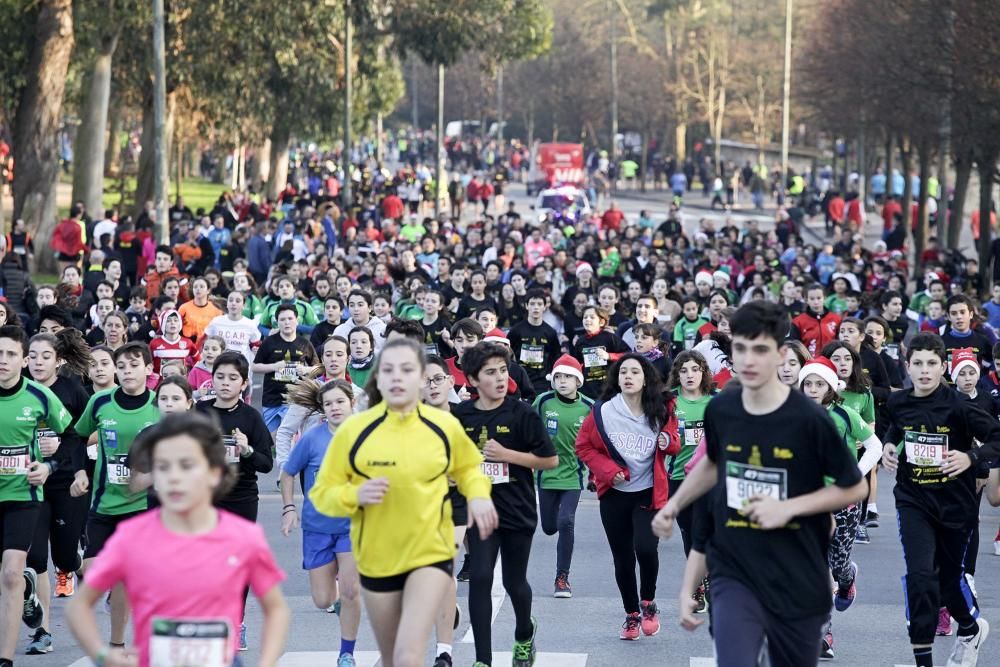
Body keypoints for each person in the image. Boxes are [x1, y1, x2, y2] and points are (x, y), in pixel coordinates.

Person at [652, 301, 866, 666]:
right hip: (736, 567)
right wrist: (674, 505)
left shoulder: (809, 419)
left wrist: (789, 507)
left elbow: (854, 487)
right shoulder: (722, 408)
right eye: (741, 349)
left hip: (797, 571)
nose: (749, 360)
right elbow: (713, 463)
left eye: (761, 350)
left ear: (782, 354)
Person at [310, 338, 498, 667]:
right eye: (389, 370)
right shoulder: (355, 431)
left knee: (409, 652)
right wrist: (355, 495)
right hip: (378, 555)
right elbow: (323, 493)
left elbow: (470, 470)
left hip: (429, 548)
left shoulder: (442, 426)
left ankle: (442, 646)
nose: (398, 378)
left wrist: (479, 497)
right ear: (378, 379)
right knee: (392, 655)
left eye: (407, 370)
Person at [66, 412, 291, 667]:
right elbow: (79, 606)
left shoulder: (242, 537)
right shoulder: (133, 537)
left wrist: (266, 662)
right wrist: (103, 655)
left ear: (214, 473)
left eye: (186, 465)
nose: (173, 477)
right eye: (162, 466)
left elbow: (276, 609)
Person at [881, 333, 999, 667]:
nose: (924, 370)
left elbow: (996, 437)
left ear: (943, 366)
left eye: (932, 363)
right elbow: (895, 429)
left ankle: (971, 628)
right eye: (917, 363)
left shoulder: (960, 406)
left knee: (948, 585)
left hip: (954, 505)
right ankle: (924, 662)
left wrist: (971, 457)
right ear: (907, 367)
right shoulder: (898, 402)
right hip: (913, 499)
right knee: (920, 578)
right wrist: (891, 446)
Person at [452, 341, 558, 667]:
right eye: (490, 373)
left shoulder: (522, 413)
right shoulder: (461, 416)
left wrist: (507, 456)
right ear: (472, 380)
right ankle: (483, 660)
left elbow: (550, 460)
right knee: (481, 576)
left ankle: (524, 631)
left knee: (515, 582)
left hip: (517, 507)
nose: (499, 378)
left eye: (502, 371)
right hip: (480, 509)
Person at [576, 353, 679, 640]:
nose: (629, 377)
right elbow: (584, 447)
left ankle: (648, 603)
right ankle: (631, 614)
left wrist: (667, 441)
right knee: (622, 558)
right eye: (623, 373)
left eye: (635, 372)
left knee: (646, 549)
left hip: (648, 491)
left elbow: (674, 441)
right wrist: (609, 471)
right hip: (614, 495)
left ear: (646, 378)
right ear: (617, 379)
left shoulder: (661, 407)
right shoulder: (603, 412)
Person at [798, 356, 883, 659]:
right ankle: (823, 634)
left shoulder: (846, 415)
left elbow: (875, 447)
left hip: (843, 501)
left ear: (831, 388)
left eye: (819, 384)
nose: (812, 389)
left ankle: (848, 579)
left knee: (837, 565)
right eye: (807, 383)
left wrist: (854, 474)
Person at [0, 326, 73, 666]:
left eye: (11, 354)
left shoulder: (40, 396)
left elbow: (74, 433)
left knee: (15, 571)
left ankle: (6, 658)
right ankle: (28, 599)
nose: (3, 360)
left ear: (23, 360)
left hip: (23, 496)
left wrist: (50, 464)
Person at [195, 351, 274, 650]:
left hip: (241, 498)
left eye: (232, 378)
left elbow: (266, 463)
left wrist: (247, 450)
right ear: (211, 378)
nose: (225, 383)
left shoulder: (251, 417)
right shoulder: (199, 412)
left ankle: (236, 622)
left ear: (243, 384)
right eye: (220, 376)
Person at [280, 379, 361, 667]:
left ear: (352, 402)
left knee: (352, 590)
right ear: (323, 409)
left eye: (340, 401)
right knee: (322, 600)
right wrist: (289, 508)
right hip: (317, 527)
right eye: (329, 404)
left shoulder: (367, 436)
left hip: (354, 527)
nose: (335, 407)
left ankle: (346, 653)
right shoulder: (312, 439)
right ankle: (337, 594)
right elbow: (288, 473)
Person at [24, 330, 93, 655]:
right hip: (29, 484)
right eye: (33, 356)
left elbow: (80, 436)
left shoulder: (72, 390)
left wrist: (76, 466)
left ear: (59, 360)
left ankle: (77, 562)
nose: (38, 362)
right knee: (36, 558)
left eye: (45, 356)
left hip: (66, 482)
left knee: (63, 559)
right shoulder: (19, 390)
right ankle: (43, 632)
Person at [532, 355, 593, 598]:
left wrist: (595, 475)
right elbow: (527, 426)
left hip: (573, 475)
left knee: (566, 521)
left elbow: (597, 441)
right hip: (546, 475)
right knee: (549, 527)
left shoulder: (589, 407)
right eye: (558, 376)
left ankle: (562, 578)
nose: (562, 381)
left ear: (578, 381)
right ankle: (556, 516)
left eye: (568, 376)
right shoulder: (543, 401)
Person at [420, 355, 466, 667]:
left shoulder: (465, 417)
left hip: (456, 502)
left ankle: (443, 652)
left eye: (438, 378)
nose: (432, 385)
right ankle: (443, 602)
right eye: (425, 380)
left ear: (450, 382)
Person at [665, 350, 714, 612]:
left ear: (703, 372)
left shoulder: (715, 402)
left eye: (695, 369)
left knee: (706, 530)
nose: (690, 375)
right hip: (678, 476)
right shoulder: (670, 403)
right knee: (689, 531)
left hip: (709, 478)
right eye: (684, 370)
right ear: (677, 375)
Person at [252, 304, 317, 436]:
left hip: (294, 399)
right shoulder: (269, 342)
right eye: (282, 319)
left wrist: (305, 369)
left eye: (290, 318)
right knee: (272, 439)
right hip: (271, 398)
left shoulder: (304, 343)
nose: (287, 322)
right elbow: (255, 366)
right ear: (277, 322)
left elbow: (318, 368)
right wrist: (273, 367)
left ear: (297, 320)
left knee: (288, 437)